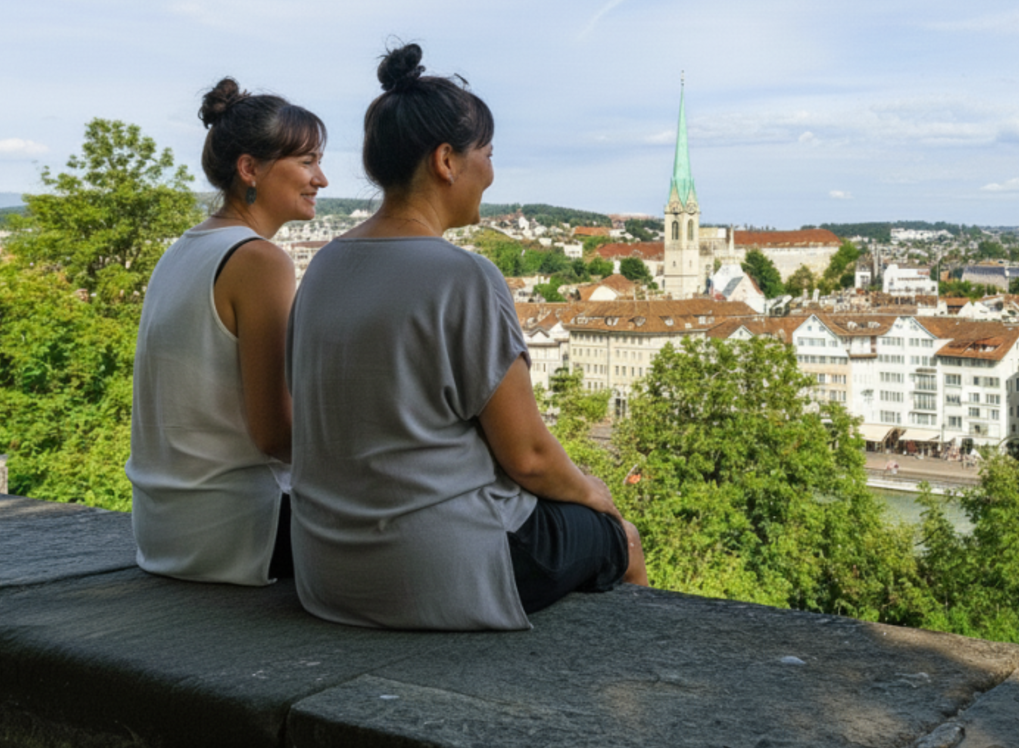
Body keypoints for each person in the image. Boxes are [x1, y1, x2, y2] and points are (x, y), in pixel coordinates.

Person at [288, 44, 647, 630]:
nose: (492, 171)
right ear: (446, 161)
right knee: (619, 537)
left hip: (326, 570)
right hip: (435, 569)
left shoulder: (323, 266)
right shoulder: (464, 275)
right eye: (488, 153)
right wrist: (592, 492)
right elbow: (528, 457)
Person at [127, 78, 328, 585]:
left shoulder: (182, 250)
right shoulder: (259, 260)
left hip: (166, 529)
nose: (321, 179)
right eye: (306, 162)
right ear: (249, 169)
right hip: (240, 531)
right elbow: (275, 434)